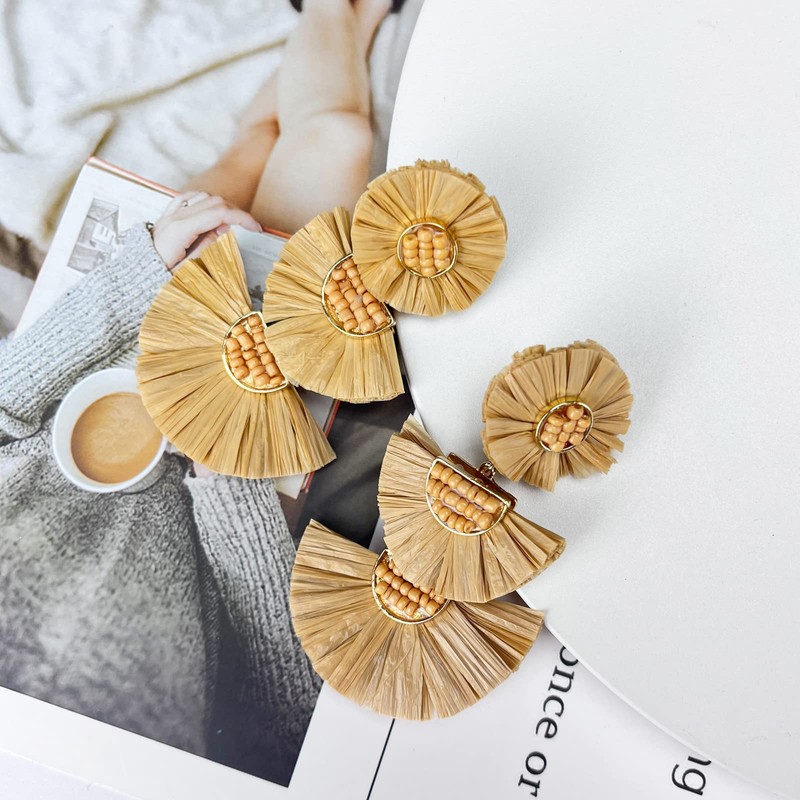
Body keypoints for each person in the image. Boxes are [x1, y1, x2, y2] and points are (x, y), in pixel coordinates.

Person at [0, 0, 397, 785]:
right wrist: (230, 482)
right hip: (231, 457)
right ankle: (339, 16)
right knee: (337, 139)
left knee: (247, 152)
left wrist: (143, 269)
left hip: (96, 356)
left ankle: (336, 21)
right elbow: (284, 722)